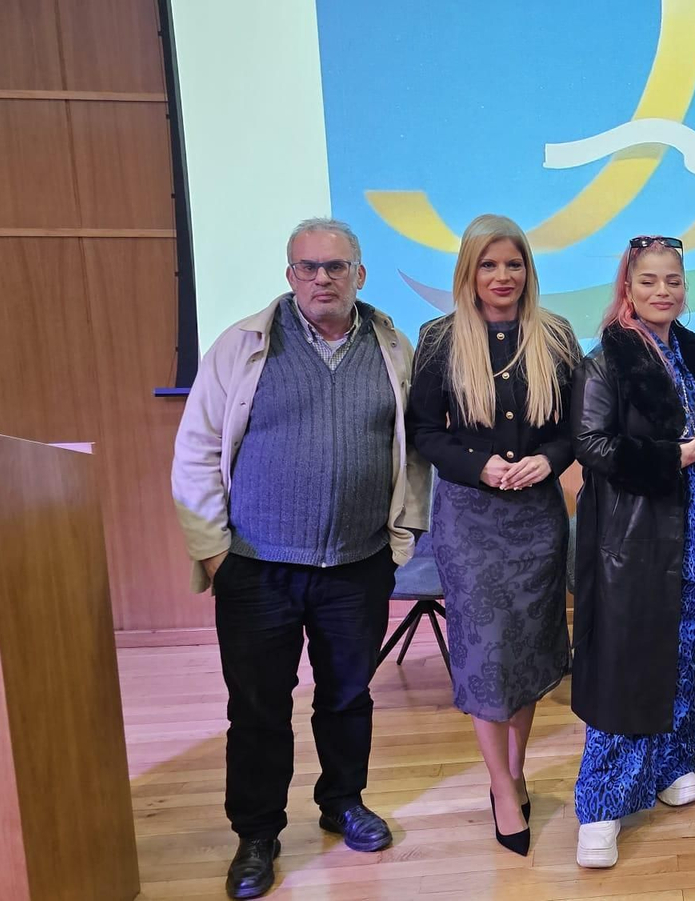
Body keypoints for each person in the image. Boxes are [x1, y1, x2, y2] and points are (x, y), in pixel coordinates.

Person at [172, 217, 429, 899]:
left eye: (336, 267)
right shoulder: (245, 345)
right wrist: (216, 553)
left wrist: (400, 539)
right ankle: (256, 834)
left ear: (359, 274)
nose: (323, 278)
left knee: (348, 697)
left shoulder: (393, 345)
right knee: (257, 707)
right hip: (256, 567)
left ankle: (343, 801)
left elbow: (414, 452)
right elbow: (196, 448)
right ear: (290, 275)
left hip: (357, 564)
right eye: (309, 267)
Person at [405, 214, 580, 857]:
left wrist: (551, 459)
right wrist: (477, 465)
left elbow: (573, 427)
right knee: (485, 654)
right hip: (470, 520)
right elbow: (424, 431)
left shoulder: (556, 336)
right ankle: (502, 786)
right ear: (468, 271)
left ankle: (518, 765)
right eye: (488, 265)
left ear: (528, 270)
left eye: (513, 264)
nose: (502, 277)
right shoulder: (440, 338)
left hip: (537, 518)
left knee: (529, 650)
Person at [569, 235, 695, 868]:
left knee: (683, 654)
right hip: (634, 538)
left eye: (673, 280)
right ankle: (603, 805)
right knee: (627, 663)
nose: (662, 291)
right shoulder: (606, 361)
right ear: (627, 287)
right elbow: (592, 444)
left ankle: (672, 763)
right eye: (648, 281)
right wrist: (671, 456)